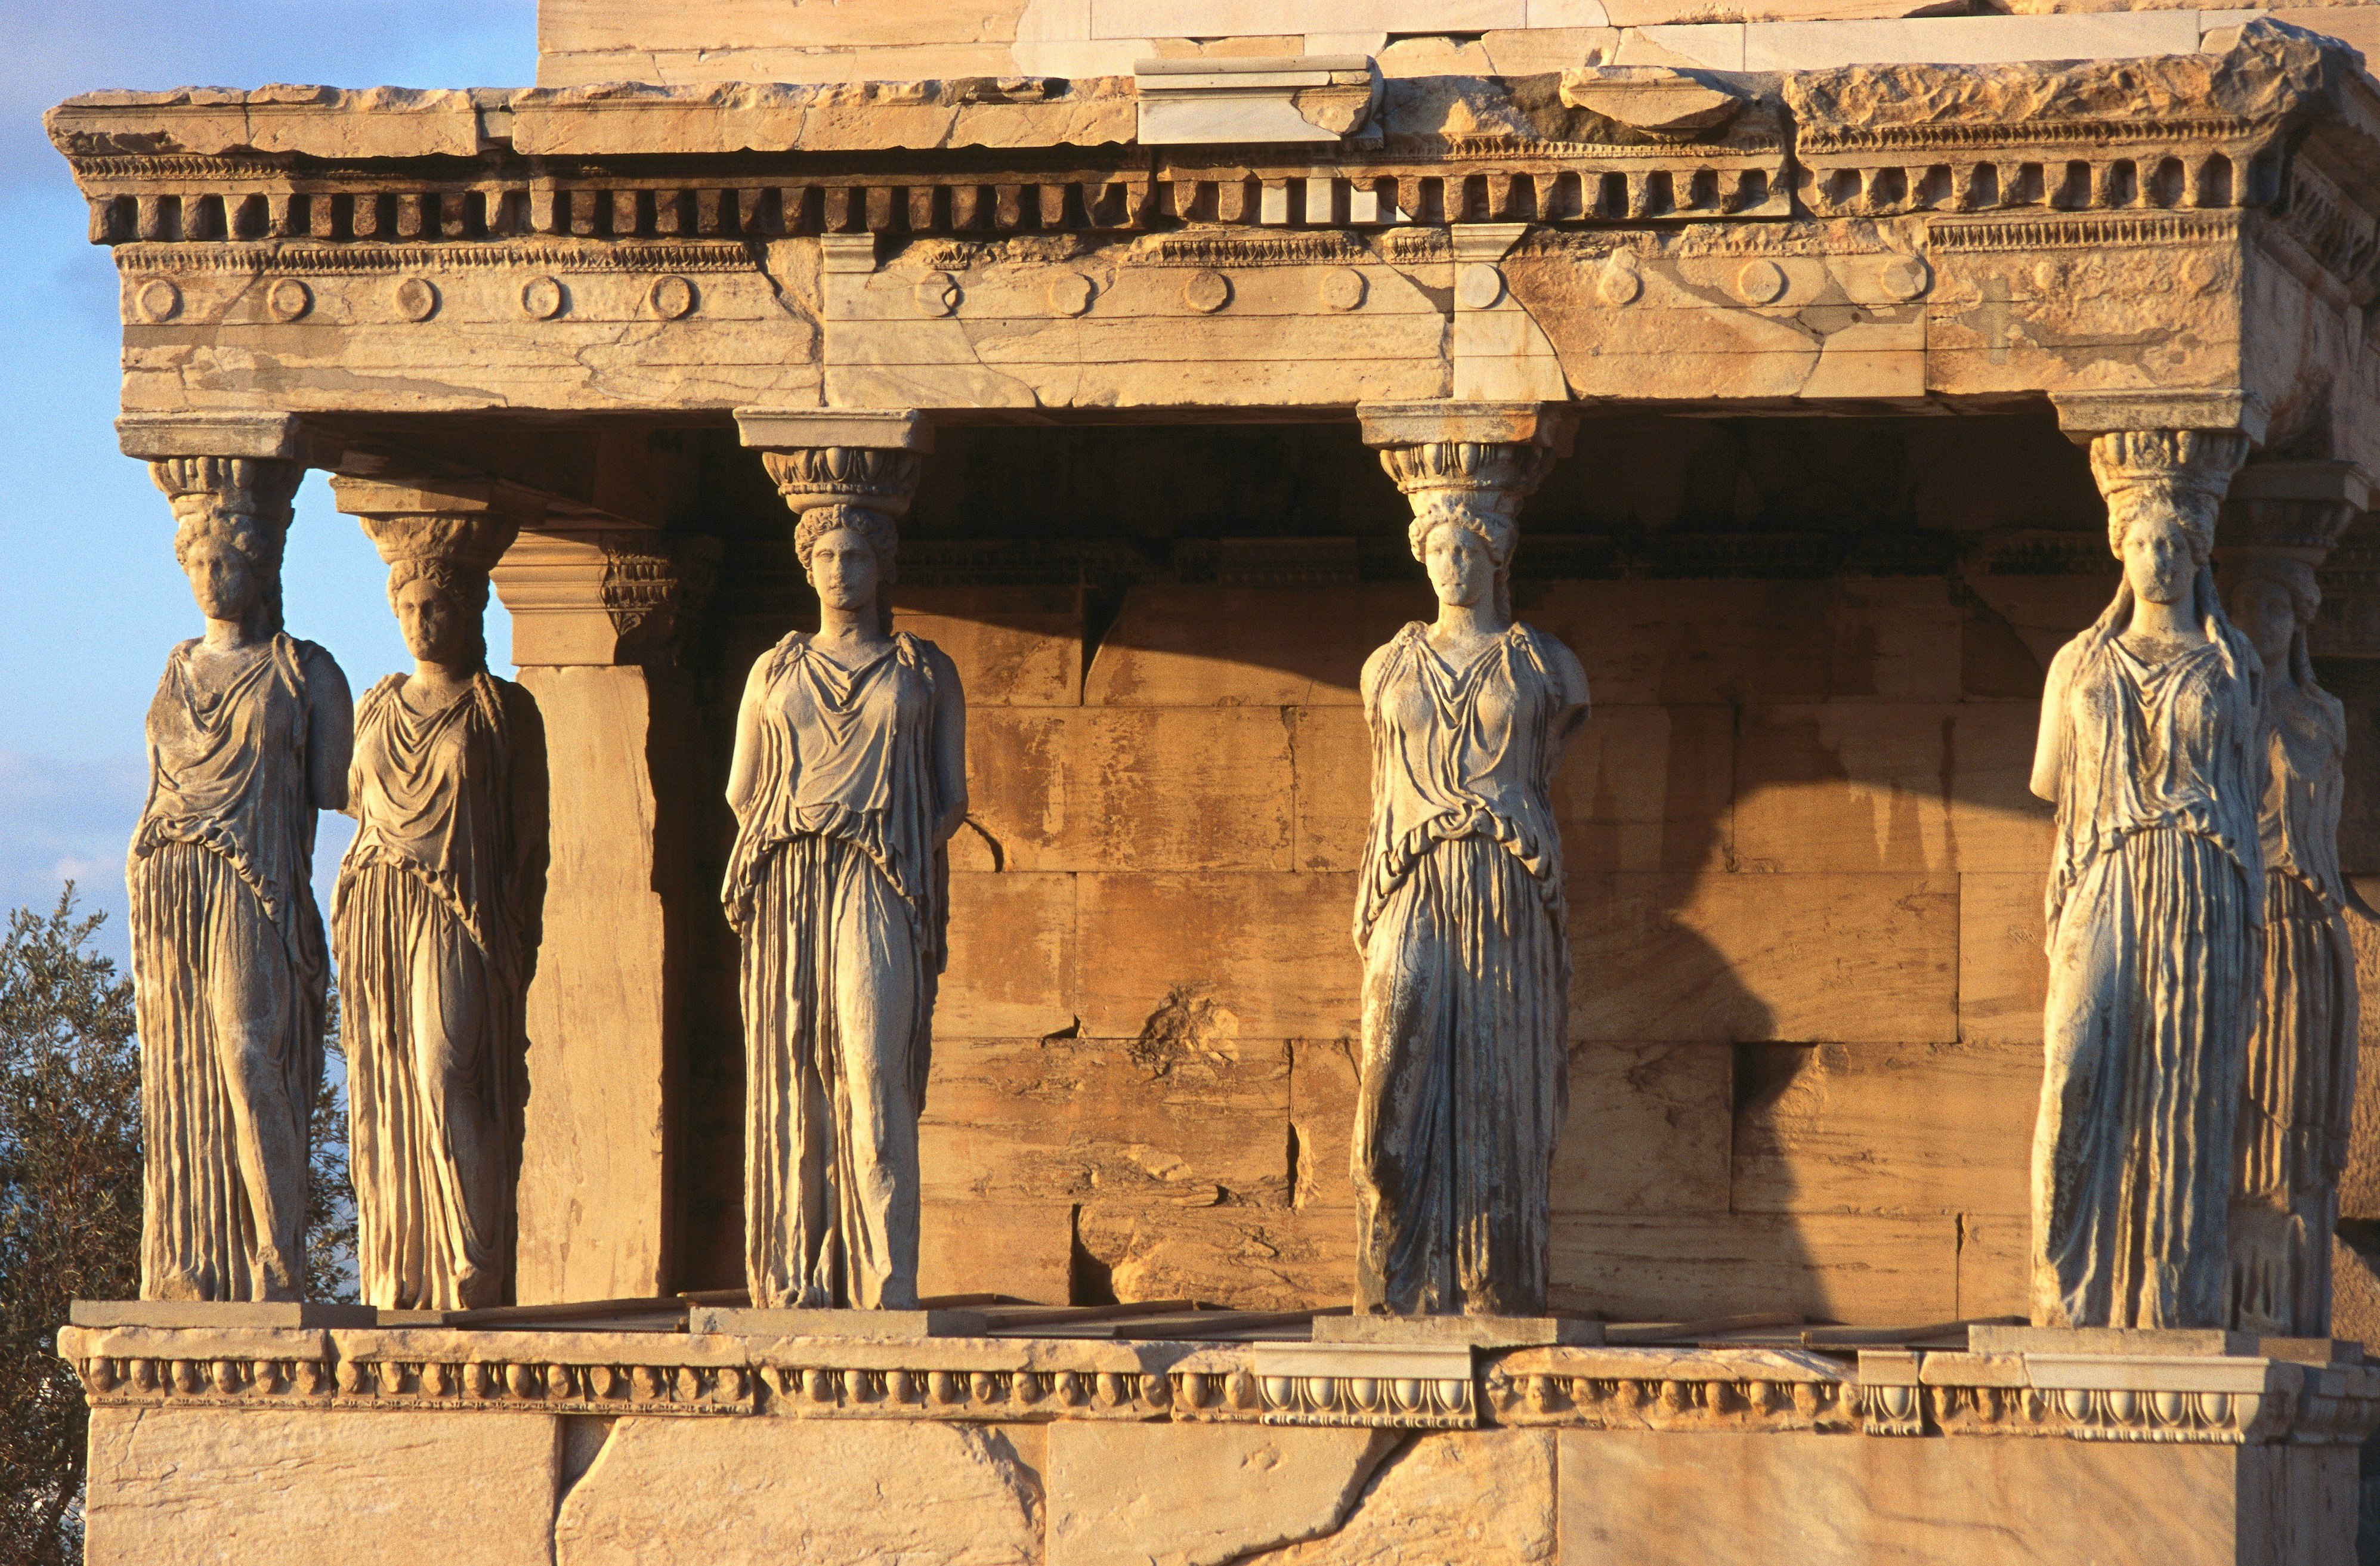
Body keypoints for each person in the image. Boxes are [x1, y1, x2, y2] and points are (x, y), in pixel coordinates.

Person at [2030, 430, 2265, 1330]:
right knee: (2074, 1066)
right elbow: (2053, 784)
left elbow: (2245, 790)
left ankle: (2166, 1299)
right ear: (2118, 548)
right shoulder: (2075, 664)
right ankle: (2067, 1289)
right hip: (2104, 878)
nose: (2159, 557)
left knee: (2183, 1080)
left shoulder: (2231, 666)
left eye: (2174, 541)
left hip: (2199, 883)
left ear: (2197, 552)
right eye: (2143, 540)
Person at [722, 500, 966, 1310]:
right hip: (791, 874)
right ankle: (797, 1275)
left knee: (870, 1063)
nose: (841, 570)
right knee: (795, 1072)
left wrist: (888, 833)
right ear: (807, 564)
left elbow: (951, 798)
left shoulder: (924, 669)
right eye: (827, 555)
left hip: (879, 874)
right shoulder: (773, 669)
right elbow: (740, 787)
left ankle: (884, 1277)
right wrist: (799, 828)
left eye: (856, 555)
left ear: (880, 563)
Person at [1352, 490, 1588, 1317]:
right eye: (1436, 550)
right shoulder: (1386, 665)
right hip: (1412, 880)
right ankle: (1397, 1275)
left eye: (1464, 551)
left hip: (1505, 884)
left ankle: (1492, 1283)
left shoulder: (1547, 667)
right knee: (1390, 1091)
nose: (1448, 566)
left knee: (1499, 1088)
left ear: (1494, 557)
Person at [130, 457, 350, 1302]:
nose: (210, 577)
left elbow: (338, 790)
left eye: (225, 561)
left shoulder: (305, 671)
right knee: (178, 1063)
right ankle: (194, 1264)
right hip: (169, 877)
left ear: (260, 566)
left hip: (255, 887)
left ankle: (279, 1256)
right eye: (197, 563)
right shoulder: (176, 669)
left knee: (248, 1051)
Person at [335, 518, 542, 1311]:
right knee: (389, 1079)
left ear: (471, 613)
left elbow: (530, 839)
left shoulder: (501, 710)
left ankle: (476, 1255)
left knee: (449, 1067)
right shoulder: (377, 704)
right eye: (412, 608)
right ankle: (406, 1267)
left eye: (440, 608)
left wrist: (517, 934)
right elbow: (356, 803)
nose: (425, 623)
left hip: (465, 914)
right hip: (384, 906)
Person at [2222, 553, 2357, 1336]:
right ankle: (2238, 1289)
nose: (2261, 623)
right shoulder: (2216, 708)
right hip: (2240, 914)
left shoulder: (2324, 715)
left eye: (2275, 608)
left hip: (2306, 927)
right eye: (2248, 606)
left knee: (2298, 1105)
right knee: (2237, 1105)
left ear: (2297, 618)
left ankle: (2285, 1298)